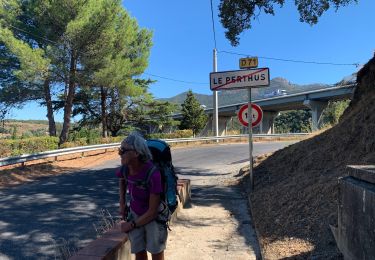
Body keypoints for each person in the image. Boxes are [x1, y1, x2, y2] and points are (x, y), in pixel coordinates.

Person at [117, 132, 167, 260]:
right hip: (135, 213)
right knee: (139, 251)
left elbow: (152, 212)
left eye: (123, 150)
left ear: (136, 153)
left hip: (153, 217)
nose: (119, 153)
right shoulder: (126, 167)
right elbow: (122, 179)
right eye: (119, 149)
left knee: (156, 253)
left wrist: (131, 225)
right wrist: (122, 202)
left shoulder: (153, 174)